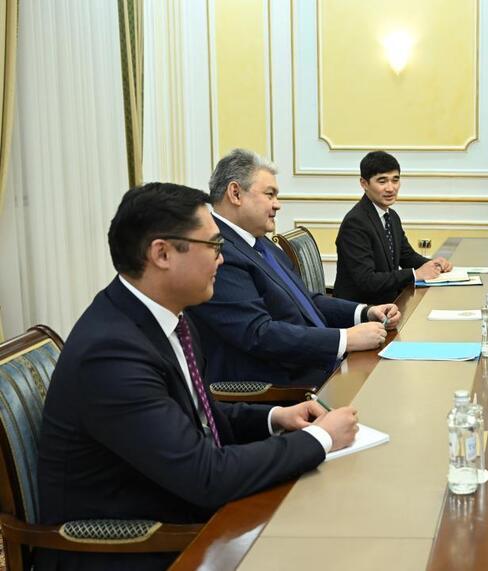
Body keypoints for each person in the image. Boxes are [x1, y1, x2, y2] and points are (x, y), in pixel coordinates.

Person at [36, 183, 360, 570]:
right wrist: (320, 439)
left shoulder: (168, 318)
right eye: (214, 246)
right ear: (162, 253)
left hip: (184, 511)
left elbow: (195, 414)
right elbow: (206, 477)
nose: (222, 260)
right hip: (131, 548)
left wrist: (276, 417)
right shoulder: (111, 354)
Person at [188, 149, 400, 387]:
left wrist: (364, 312)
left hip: (316, 363)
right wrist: (345, 339)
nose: (277, 205)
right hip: (285, 385)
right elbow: (258, 334)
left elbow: (305, 300)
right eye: (270, 194)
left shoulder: (259, 241)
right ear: (235, 193)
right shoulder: (219, 252)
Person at [333, 150, 454, 305]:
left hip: (388, 303)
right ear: (364, 183)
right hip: (363, 309)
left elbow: (407, 256)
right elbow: (367, 281)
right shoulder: (355, 223)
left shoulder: (391, 216)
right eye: (382, 181)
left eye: (395, 180)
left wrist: (434, 264)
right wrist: (415, 274)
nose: (390, 188)